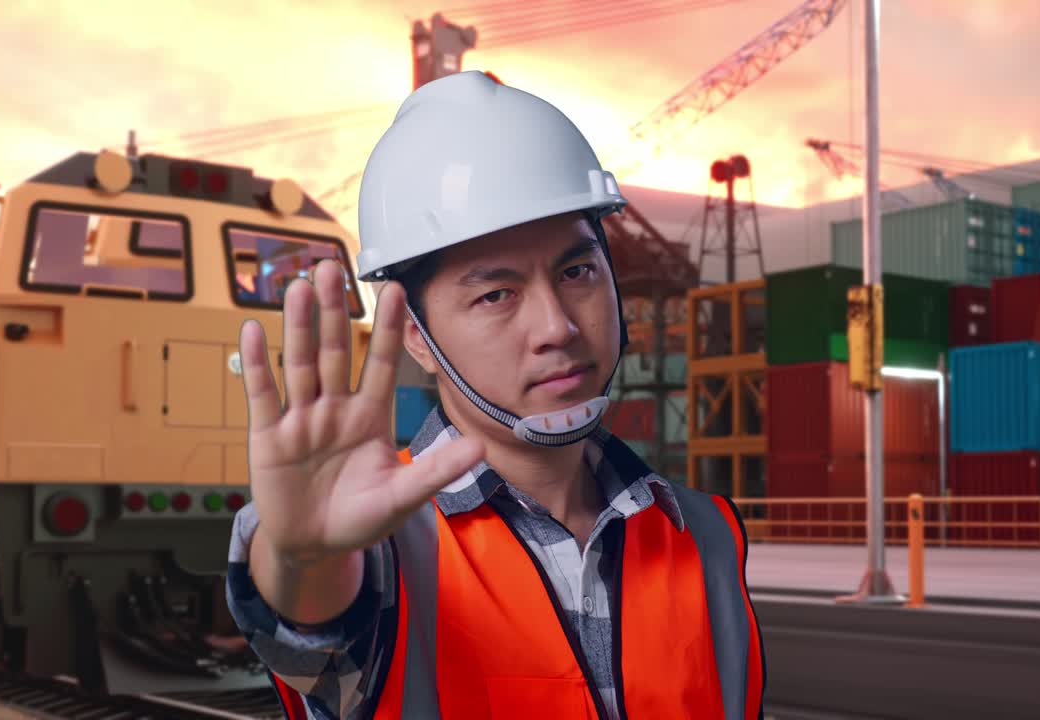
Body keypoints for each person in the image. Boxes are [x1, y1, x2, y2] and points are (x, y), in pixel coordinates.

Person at [225, 70, 765, 720]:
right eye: (496, 294)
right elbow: (311, 614)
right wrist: (300, 555)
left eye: (578, 271)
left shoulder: (705, 536)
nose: (557, 327)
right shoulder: (382, 549)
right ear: (417, 338)